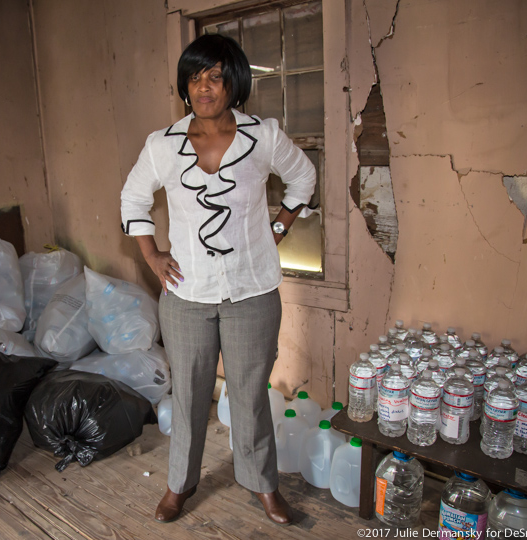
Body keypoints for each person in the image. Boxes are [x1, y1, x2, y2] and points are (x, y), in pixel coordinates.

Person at [120, 34, 316, 526]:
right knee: (188, 395)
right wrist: (151, 256)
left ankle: (262, 486)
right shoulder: (161, 145)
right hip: (186, 293)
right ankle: (179, 485)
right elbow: (132, 200)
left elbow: (304, 178)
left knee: (251, 395)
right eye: (194, 77)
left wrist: (278, 228)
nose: (204, 87)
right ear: (184, 87)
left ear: (234, 82)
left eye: (215, 76)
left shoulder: (264, 136)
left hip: (252, 290)